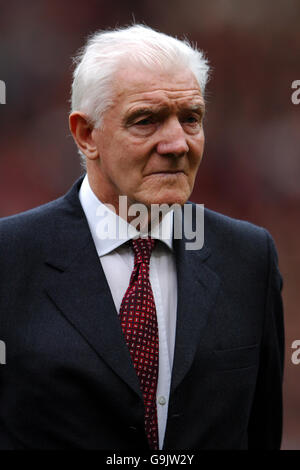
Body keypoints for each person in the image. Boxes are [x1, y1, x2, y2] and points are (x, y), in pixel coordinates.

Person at [0, 24, 284, 450]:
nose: (176, 143)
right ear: (86, 134)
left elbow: (261, 431)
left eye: (191, 118)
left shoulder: (249, 258)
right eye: (146, 120)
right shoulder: (9, 257)